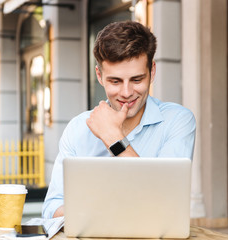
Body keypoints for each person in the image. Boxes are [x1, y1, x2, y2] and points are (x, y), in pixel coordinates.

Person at [42, 21, 196, 219]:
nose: (126, 93)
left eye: (137, 80)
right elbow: (52, 207)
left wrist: (113, 138)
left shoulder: (177, 121)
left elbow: (166, 205)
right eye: (115, 81)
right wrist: (104, 215)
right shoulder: (77, 129)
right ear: (99, 75)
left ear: (153, 71)